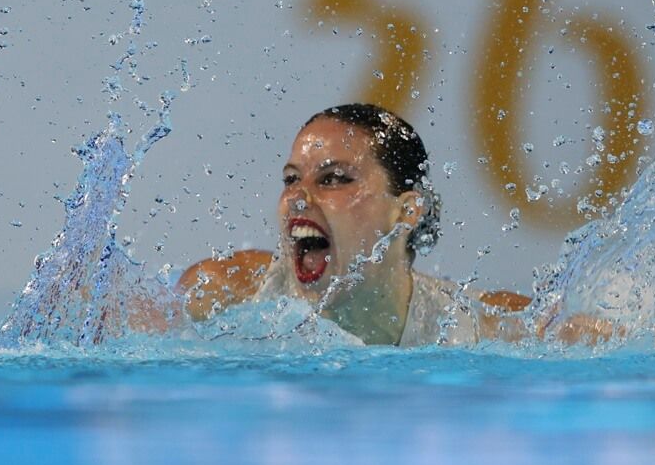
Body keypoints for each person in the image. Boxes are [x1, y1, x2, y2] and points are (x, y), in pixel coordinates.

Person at [177, 103, 531, 346]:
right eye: (291, 179)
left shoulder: (488, 327)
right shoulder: (221, 297)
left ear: (407, 212)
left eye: (333, 179)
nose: (299, 197)